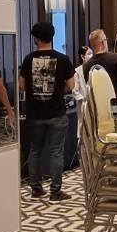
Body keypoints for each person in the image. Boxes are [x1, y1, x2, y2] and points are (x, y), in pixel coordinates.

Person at [19, 21, 76, 200]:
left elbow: (21, 86)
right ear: (52, 36)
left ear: (35, 38)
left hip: (34, 113)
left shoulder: (28, 59)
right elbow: (72, 85)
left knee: (34, 151)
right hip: (56, 113)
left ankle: (36, 189)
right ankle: (55, 191)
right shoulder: (63, 59)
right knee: (56, 152)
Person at [80, 28, 117, 98]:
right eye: (106, 40)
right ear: (103, 42)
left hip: (99, 104)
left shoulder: (85, 66)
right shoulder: (116, 58)